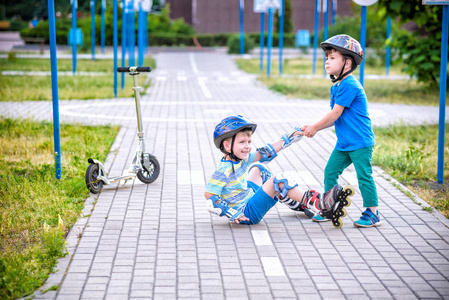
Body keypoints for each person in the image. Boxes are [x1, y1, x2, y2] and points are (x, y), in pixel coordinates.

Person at [204, 115, 353, 226]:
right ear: (227, 146)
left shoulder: (241, 158)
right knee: (280, 181)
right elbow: (209, 195)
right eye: (242, 142)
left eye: (249, 141)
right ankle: (319, 204)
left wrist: (290, 137)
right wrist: (232, 213)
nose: (248, 146)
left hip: (248, 199)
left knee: (259, 170)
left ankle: (298, 203)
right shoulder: (223, 170)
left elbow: (265, 153)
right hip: (246, 213)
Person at [300, 34, 381, 228]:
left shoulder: (349, 85)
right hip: (344, 143)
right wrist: (313, 126)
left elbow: (335, 113)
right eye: (326, 58)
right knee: (330, 171)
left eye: (332, 58)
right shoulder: (337, 85)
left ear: (348, 62)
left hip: (360, 142)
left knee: (364, 176)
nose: (327, 61)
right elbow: (334, 116)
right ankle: (329, 207)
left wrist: (315, 128)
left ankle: (373, 212)